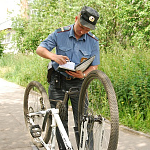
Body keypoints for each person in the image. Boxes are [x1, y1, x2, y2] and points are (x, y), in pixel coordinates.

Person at [36, 6, 100, 150]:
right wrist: (54, 56)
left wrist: (83, 74)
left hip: (79, 84)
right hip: (58, 82)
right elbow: (40, 49)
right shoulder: (60, 34)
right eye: (81, 27)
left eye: (87, 29)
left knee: (83, 121)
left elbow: (94, 66)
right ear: (76, 19)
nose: (83, 31)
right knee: (60, 121)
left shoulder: (93, 41)